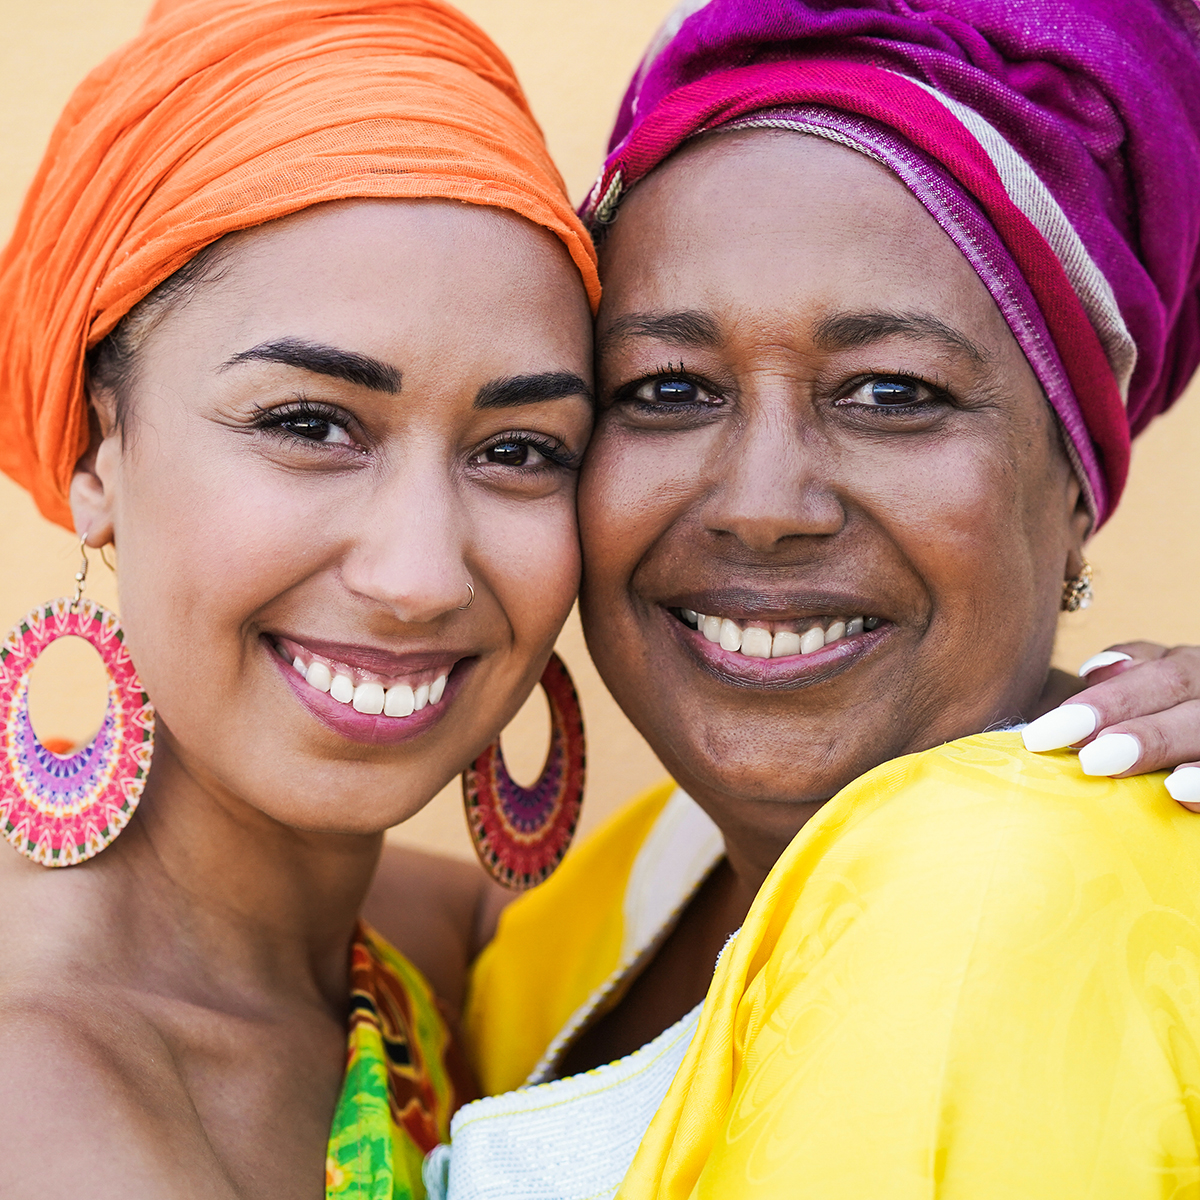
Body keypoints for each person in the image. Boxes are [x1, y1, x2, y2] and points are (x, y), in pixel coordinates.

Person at [423, 0, 1200, 1195]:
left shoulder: (993, 884)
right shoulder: (643, 876)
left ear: (1074, 487)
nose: (763, 505)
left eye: (891, 392)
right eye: (668, 389)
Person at [0, 0, 600, 1195]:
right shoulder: (49, 1097)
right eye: (311, 425)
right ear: (97, 456)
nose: (420, 576)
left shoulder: (417, 944)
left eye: (519, 449)